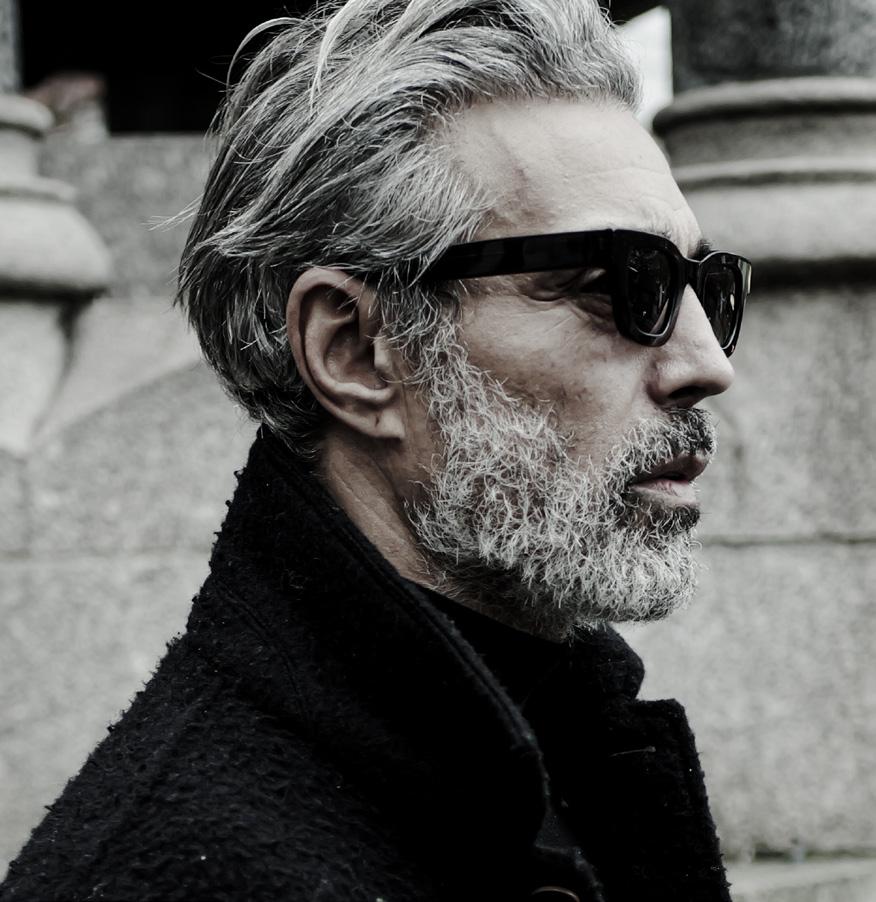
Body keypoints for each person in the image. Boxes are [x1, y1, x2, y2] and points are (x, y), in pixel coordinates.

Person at [0, 1, 752, 899]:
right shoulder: (184, 872)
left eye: (707, 287)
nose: (707, 365)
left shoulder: (580, 738)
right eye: (612, 285)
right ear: (355, 351)